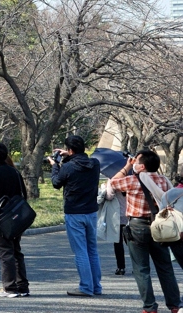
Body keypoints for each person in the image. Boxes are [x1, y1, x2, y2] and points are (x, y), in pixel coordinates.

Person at [107, 149, 180, 313]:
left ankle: (150, 306)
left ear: (142, 166)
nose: (134, 163)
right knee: (165, 267)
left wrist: (126, 167)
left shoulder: (132, 180)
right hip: (161, 226)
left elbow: (112, 182)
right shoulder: (163, 180)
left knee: (141, 269)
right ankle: (175, 304)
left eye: (136, 161)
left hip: (138, 226)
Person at [49, 134, 102, 297]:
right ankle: (96, 286)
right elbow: (80, 164)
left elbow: (56, 183)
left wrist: (55, 164)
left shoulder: (68, 167)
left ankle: (86, 287)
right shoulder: (95, 164)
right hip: (92, 211)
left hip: (74, 212)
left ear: (70, 150)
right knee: (92, 249)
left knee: (80, 251)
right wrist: (70, 156)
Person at [0, 143, 29, 298]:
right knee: (16, 251)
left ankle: (9, 287)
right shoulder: (14, 172)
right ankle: (22, 286)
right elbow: (24, 193)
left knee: (5, 253)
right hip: (17, 217)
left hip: (1, 219)